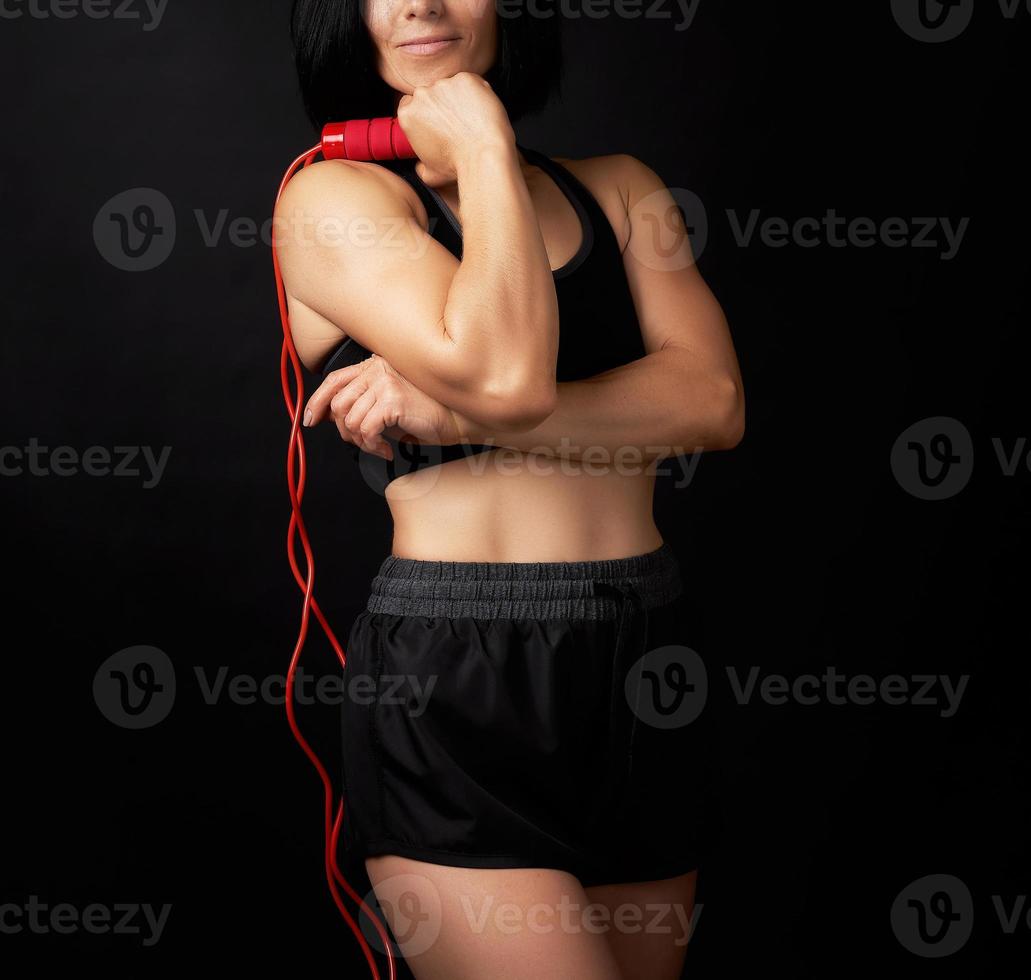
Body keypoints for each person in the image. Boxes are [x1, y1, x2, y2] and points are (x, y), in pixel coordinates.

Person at [275, 2, 744, 977]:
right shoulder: (336, 201)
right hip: (455, 676)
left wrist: (456, 416)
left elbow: (710, 400)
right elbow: (505, 377)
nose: (419, 5)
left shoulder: (621, 193)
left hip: (641, 656)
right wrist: (484, 144)